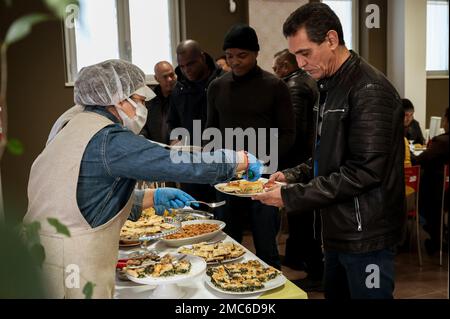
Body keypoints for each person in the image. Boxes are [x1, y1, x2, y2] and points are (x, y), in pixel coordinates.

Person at [23, 59, 261, 298]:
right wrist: (236, 161)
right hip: (72, 263)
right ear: (117, 99)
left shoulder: (72, 126)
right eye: (138, 100)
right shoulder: (108, 139)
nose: (142, 108)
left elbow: (83, 194)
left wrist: (149, 197)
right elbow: (175, 163)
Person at [252, 3, 405, 299]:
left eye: (305, 53)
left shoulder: (369, 89)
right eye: (295, 54)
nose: (299, 63)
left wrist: (289, 196)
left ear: (332, 40)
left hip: (366, 237)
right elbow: (328, 156)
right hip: (338, 230)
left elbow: (364, 172)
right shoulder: (329, 85)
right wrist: (291, 176)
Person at [207, 24, 296, 269]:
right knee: (226, 243)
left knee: (266, 243)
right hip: (227, 176)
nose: (234, 62)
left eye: (242, 55)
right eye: (229, 56)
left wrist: (263, 164)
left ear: (256, 53)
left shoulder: (275, 86)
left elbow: (288, 133)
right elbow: (210, 132)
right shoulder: (217, 87)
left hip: (263, 176)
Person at [272, 48, 322, 289]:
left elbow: (294, 129)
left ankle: (311, 269)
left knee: (301, 216)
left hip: (297, 160)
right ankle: (296, 258)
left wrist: (281, 161)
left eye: (277, 66)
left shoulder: (294, 87)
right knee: (301, 216)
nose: (274, 71)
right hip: (304, 158)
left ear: (286, 65)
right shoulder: (306, 82)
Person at [167, 40, 224, 202]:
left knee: (222, 211)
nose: (186, 70)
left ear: (202, 57)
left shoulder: (223, 82)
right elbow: (173, 121)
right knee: (195, 212)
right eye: (182, 66)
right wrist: (174, 140)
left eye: (190, 64)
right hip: (190, 161)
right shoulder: (179, 88)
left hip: (219, 159)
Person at [413, 107, 449, 255]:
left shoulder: (442, 141)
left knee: (425, 188)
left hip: (439, 193)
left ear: (447, 121)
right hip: (446, 191)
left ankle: (436, 238)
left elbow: (420, 160)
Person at [140, 61, 176, 144]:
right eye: (165, 77)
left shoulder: (183, 96)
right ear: (157, 79)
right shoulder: (149, 100)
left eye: (172, 75)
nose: (170, 79)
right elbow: (143, 126)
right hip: (156, 148)